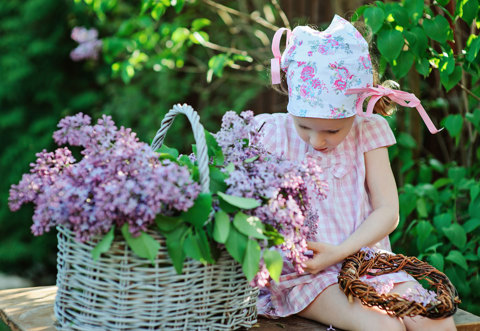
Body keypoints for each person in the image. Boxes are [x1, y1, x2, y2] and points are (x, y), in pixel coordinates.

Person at [255, 15, 456, 331]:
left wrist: (341, 251)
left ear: (356, 108)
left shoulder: (368, 131)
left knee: (435, 320)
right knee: (383, 327)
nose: (317, 141)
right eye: (304, 126)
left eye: (333, 131)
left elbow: (388, 211)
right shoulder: (271, 133)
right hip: (310, 275)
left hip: (370, 263)